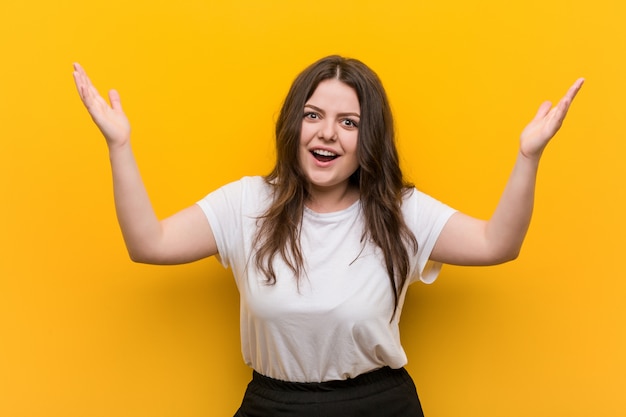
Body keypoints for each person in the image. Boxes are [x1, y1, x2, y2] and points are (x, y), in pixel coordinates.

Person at [73, 56, 583, 417]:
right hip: (274, 404)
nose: (326, 133)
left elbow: (498, 244)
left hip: (378, 406)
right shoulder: (247, 203)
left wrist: (528, 156)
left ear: (370, 138)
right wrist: (119, 144)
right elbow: (150, 244)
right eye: (313, 115)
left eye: (349, 122)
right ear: (293, 125)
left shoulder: (399, 211)